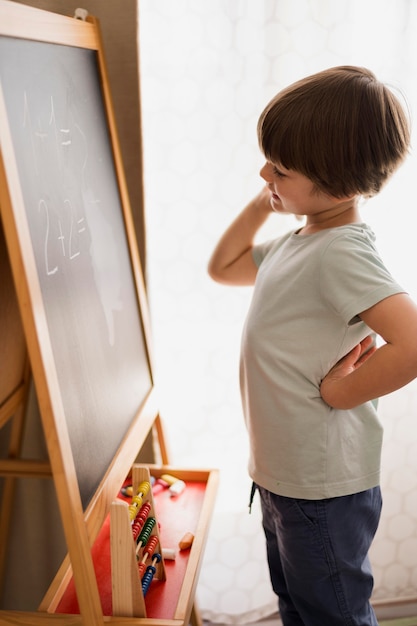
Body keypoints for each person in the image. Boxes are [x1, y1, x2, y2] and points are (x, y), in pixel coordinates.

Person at [207, 66, 417, 626]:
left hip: (320, 488)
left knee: (334, 614)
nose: (264, 171)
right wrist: (266, 199)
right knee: (298, 606)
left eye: (280, 167)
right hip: (284, 476)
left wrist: (344, 392)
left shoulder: (342, 252)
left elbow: (412, 342)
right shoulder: (302, 241)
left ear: (341, 187)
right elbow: (223, 267)